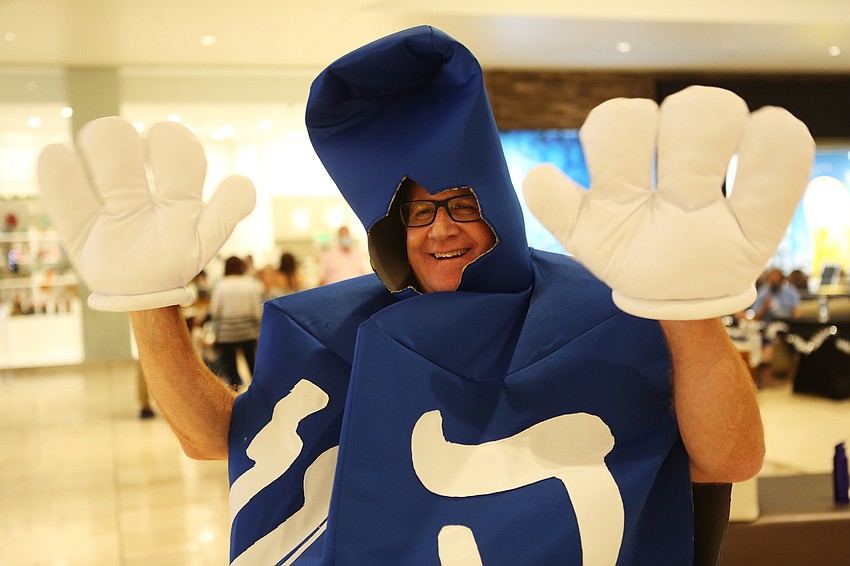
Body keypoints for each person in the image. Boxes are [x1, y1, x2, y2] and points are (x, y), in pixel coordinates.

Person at [36, 26, 814, 565]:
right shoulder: (337, 331)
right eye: (415, 213)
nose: (440, 230)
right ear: (387, 230)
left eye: (462, 204)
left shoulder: (610, 301)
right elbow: (217, 439)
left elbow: (730, 459)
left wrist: (685, 312)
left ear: (498, 206)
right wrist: (149, 303)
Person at [208, 256, 264, 390]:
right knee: (253, 365)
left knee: (231, 368)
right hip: (248, 332)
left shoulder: (220, 285)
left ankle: (234, 395)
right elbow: (258, 311)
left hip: (227, 334)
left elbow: (214, 311)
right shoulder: (251, 284)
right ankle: (259, 392)